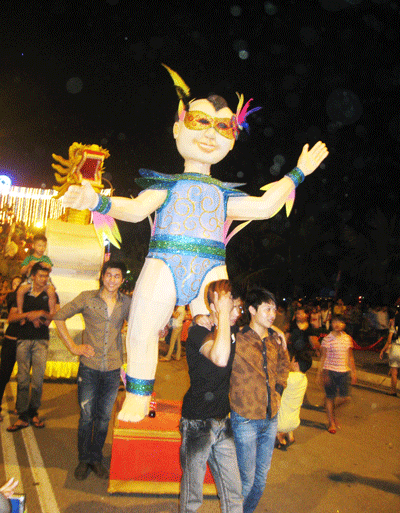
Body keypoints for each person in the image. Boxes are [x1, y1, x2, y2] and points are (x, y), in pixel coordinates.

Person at [62, 65, 329, 422]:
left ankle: (217, 399)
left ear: (232, 139)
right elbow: (136, 209)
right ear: (178, 129)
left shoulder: (223, 195)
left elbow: (265, 206)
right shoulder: (168, 185)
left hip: (211, 268)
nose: (210, 134)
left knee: (222, 334)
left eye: (223, 126)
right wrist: (95, 200)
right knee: (142, 327)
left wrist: (299, 172)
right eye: (200, 121)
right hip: (164, 261)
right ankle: (138, 397)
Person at [53, 261, 131, 480]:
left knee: (104, 417)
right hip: (89, 367)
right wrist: (73, 347)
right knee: (87, 416)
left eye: (117, 276)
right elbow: (59, 317)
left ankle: (96, 458)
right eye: (108, 275)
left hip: (113, 368)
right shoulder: (87, 298)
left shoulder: (127, 302)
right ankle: (84, 459)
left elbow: (140, 324)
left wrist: (160, 329)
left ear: (122, 280)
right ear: (102, 276)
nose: (112, 280)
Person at [180, 279, 243, 513]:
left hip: (223, 421)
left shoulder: (231, 329)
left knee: (233, 492)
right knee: (192, 496)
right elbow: (219, 357)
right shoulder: (198, 332)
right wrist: (220, 315)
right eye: (231, 307)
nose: (236, 313)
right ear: (215, 305)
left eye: (238, 307)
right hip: (197, 422)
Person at [229, 287, 290, 513]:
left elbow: (284, 365)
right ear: (252, 310)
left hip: (270, 418)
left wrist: (279, 390)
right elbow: (216, 325)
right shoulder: (238, 337)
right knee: (246, 481)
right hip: (245, 418)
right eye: (267, 309)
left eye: (274, 309)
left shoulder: (276, 340)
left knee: (260, 481)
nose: (273, 314)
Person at [7, 263, 58, 432]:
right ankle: (22, 415)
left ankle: (33, 412)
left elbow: (54, 315)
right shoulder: (23, 292)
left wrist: (42, 315)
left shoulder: (50, 293)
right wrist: (29, 315)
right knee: (22, 378)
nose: (44, 279)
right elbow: (13, 317)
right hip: (23, 339)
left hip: (41, 340)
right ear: (33, 276)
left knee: (37, 380)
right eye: (41, 276)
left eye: (46, 276)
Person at [317, 315, 357, 434]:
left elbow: (350, 357)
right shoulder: (327, 339)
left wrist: (353, 372)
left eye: (340, 322)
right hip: (329, 371)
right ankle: (331, 422)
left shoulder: (347, 338)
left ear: (344, 324)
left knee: (345, 398)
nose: (337, 324)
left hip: (344, 371)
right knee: (330, 397)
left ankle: (330, 409)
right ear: (331, 324)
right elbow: (323, 357)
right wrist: (320, 373)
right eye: (334, 322)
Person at [275, 349, 312, 449]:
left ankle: (280, 436)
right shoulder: (305, 379)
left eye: (292, 360)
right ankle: (289, 435)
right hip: (294, 423)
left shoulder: (288, 377)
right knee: (289, 405)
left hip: (280, 424)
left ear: (296, 363)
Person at [17, 234, 57, 323]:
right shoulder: (29, 258)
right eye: (39, 246)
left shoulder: (46, 259)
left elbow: (50, 269)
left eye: (44, 246)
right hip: (31, 281)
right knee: (20, 291)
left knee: (51, 291)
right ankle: (20, 313)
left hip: (44, 282)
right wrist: (28, 265)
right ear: (33, 246)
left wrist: (47, 266)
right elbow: (22, 271)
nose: (42, 248)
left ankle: (51, 313)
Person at [0, 276, 22, 421]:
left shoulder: (27, 297)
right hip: (10, 341)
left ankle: (20, 407)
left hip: (24, 343)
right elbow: (12, 317)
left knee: (23, 377)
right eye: (14, 284)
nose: (16, 286)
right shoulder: (12, 297)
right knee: (3, 374)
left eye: (19, 283)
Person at [379, 311, 400, 396]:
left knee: (394, 372)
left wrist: (383, 349)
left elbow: (389, 339)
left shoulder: (394, 326)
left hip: (395, 349)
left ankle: (393, 391)